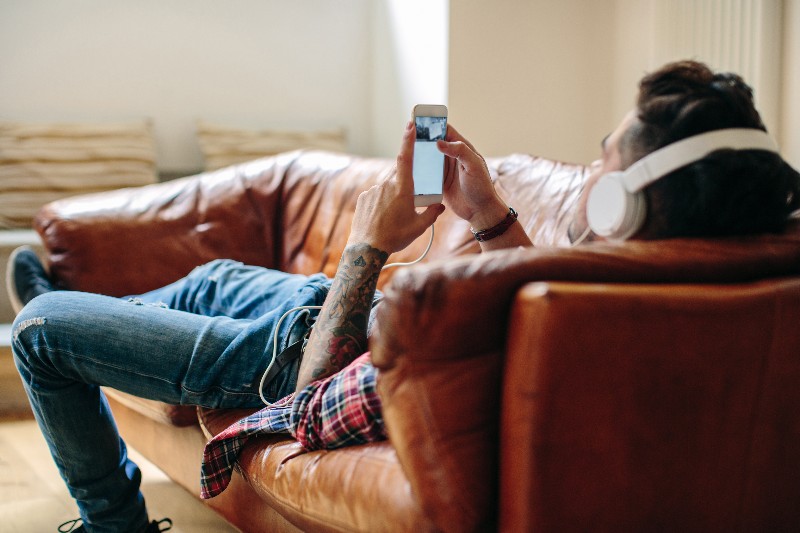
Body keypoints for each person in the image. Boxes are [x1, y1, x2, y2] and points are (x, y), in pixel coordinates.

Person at [7, 60, 800, 532]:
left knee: (38, 331)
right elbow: (521, 289)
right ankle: (84, 297)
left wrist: (367, 243)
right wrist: (487, 214)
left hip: (286, 354)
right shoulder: (642, 288)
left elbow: (310, 399)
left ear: (622, 204)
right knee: (210, 278)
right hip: (306, 307)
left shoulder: (501, 309)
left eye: (603, 160)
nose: (589, 174)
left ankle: (112, 515)